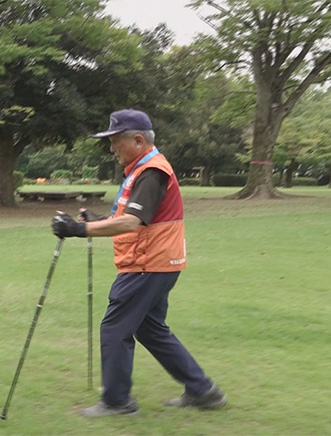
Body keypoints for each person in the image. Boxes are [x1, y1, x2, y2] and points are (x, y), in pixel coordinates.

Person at [52, 109, 226, 417]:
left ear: (137, 139)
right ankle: (203, 391)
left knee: (115, 327)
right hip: (159, 263)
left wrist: (79, 230)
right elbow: (132, 219)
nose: (111, 148)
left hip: (147, 264)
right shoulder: (142, 169)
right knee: (151, 329)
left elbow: (132, 222)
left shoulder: (151, 171)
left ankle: (118, 402)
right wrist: (97, 220)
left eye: (115, 141)